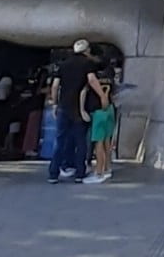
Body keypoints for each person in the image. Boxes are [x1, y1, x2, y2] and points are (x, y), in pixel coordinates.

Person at [47, 40, 104, 184]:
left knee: (60, 140)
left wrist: (54, 103)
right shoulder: (87, 63)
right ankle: (80, 173)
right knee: (80, 140)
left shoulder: (63, 64)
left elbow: (55, 86)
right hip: (80, 107)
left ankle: (54, 173)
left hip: (63, 106)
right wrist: (102, 95)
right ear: (87, 50)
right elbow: (91, 80)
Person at [85, 78, 116, 184]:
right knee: (106, 140)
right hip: (109, 108)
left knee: (98, 142)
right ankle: (107, 168)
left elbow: (84, 90)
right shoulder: (109, 71)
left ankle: (99, 172)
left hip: (98, 110)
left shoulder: (91, 74)